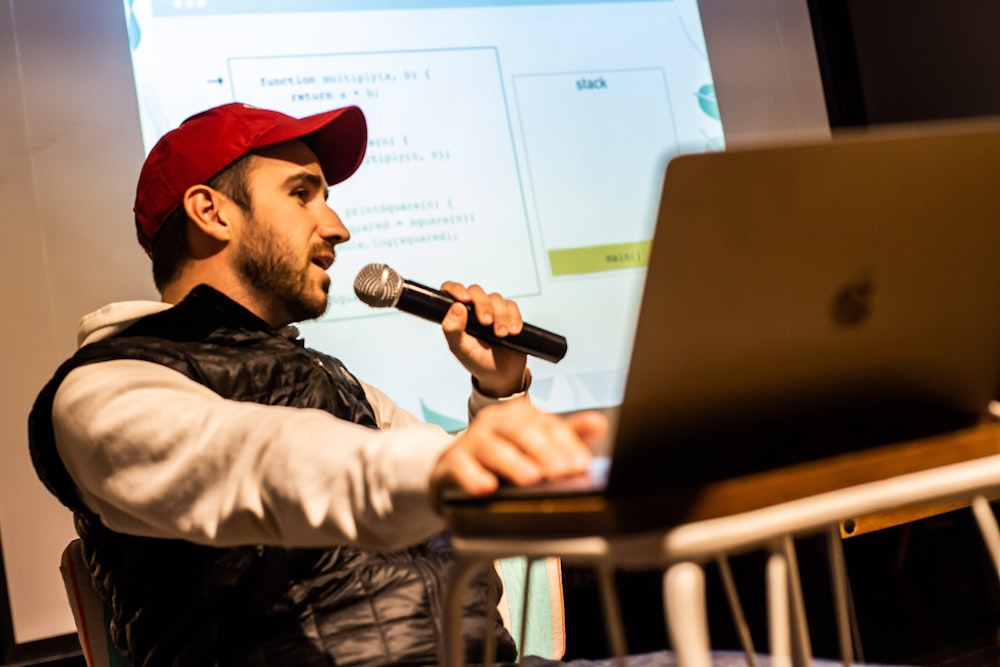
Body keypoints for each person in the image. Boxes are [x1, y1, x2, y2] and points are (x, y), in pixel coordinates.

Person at [27, 102, 614, 666]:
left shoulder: (335, 379)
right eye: (301, 194)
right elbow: (256, 459)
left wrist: (498, 392)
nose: (339, 228)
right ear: (211, 211)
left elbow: (479, 493)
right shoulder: (102, 390)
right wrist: (433, 467)